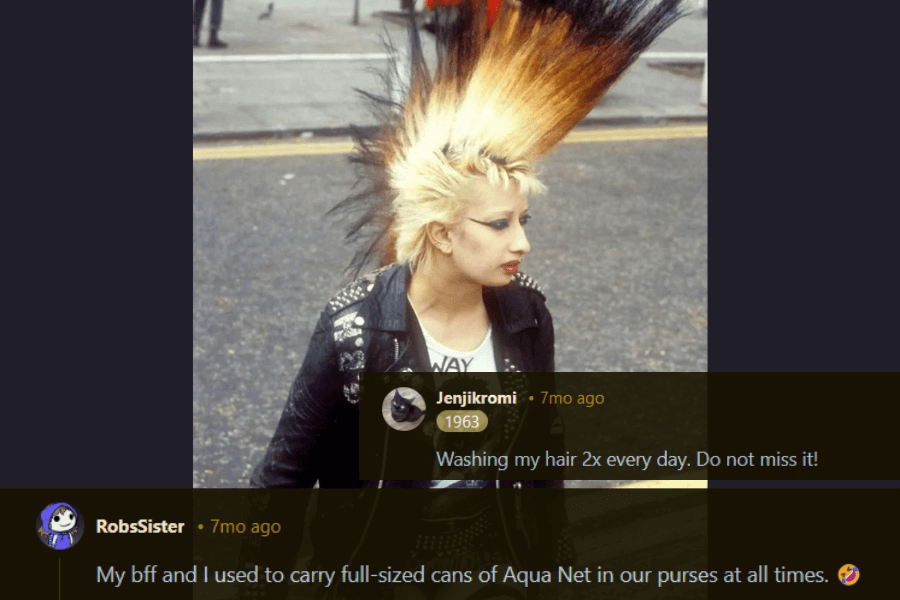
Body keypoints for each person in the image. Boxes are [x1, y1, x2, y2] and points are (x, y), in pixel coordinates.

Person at [244, 2, 683, 599]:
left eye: (523, 220)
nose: (523, 242)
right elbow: (283, 482)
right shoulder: (355, 329)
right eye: (499, 224)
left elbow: (540, 458)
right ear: (443, 232)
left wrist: (556, 573)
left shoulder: (526, 314)